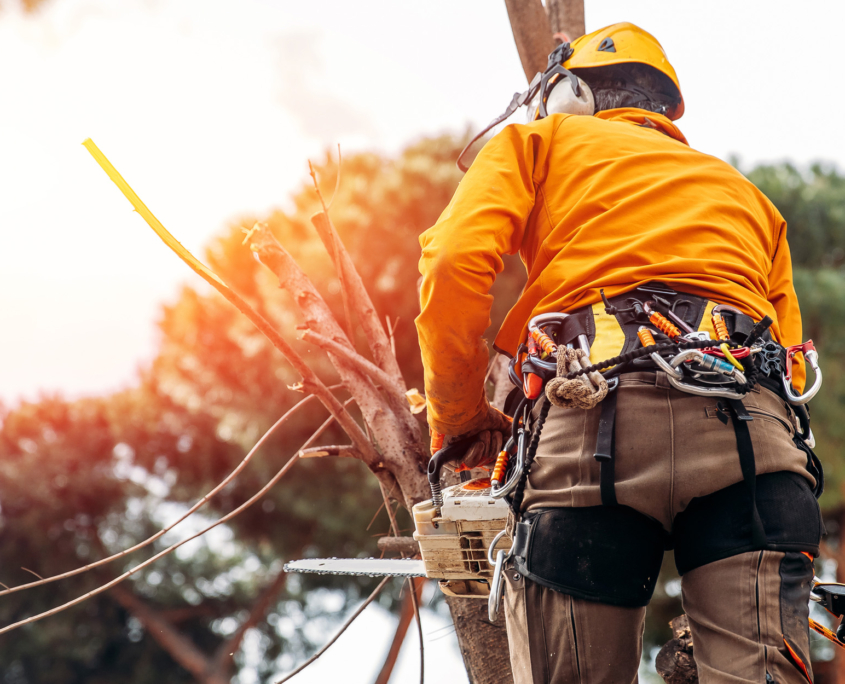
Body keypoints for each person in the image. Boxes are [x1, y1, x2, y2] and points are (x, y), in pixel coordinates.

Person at [415, 22, 824, 684]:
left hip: (594, 432)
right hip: (753, 445)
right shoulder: (744, 194)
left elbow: (455, 261)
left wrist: (458, 415)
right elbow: (791, 362)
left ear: (569, 93)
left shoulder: (536, 141)